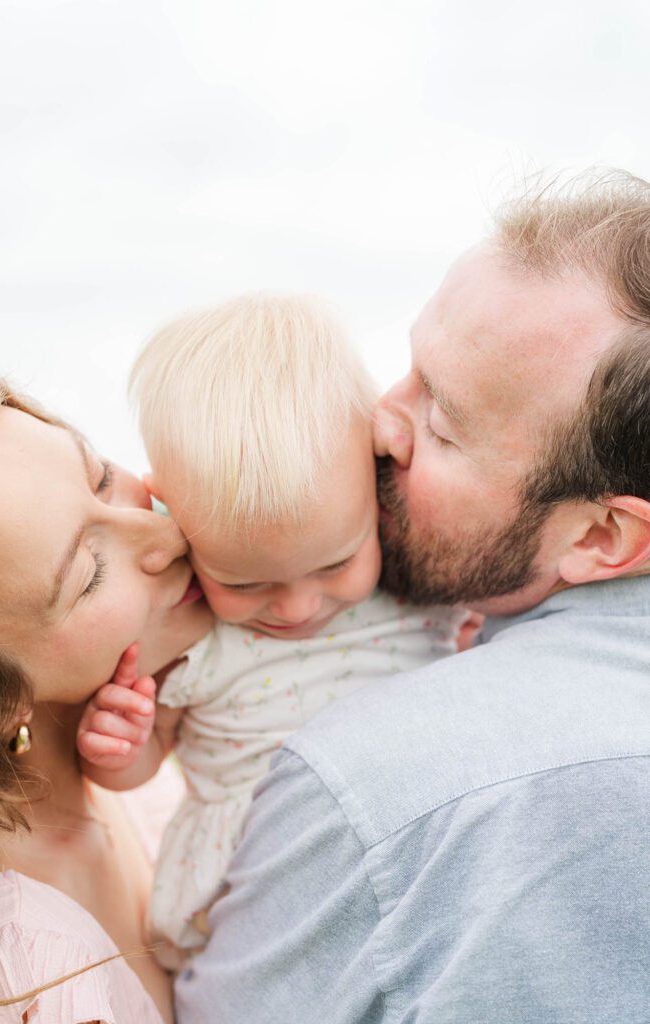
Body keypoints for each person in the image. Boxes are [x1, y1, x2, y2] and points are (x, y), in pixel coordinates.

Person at [173, 170, 650, 1023]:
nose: (380, 423)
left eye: (441, 424)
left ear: (597, 538)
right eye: (408, 370)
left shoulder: (368, 786)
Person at [76, 294, 466, 964]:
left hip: (411, 861)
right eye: (245, 582)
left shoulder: (415, 597)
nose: (294, 607)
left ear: (377, 477)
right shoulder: (194, 637)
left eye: (335, 561)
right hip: (250, 900)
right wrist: (118, 748)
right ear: (170, 507)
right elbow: (144, 765)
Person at [0, 377, 211, 1022]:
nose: (164, 535)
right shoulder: (20, 966)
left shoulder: (146, 779)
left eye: (101, 475)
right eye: (90, 574)